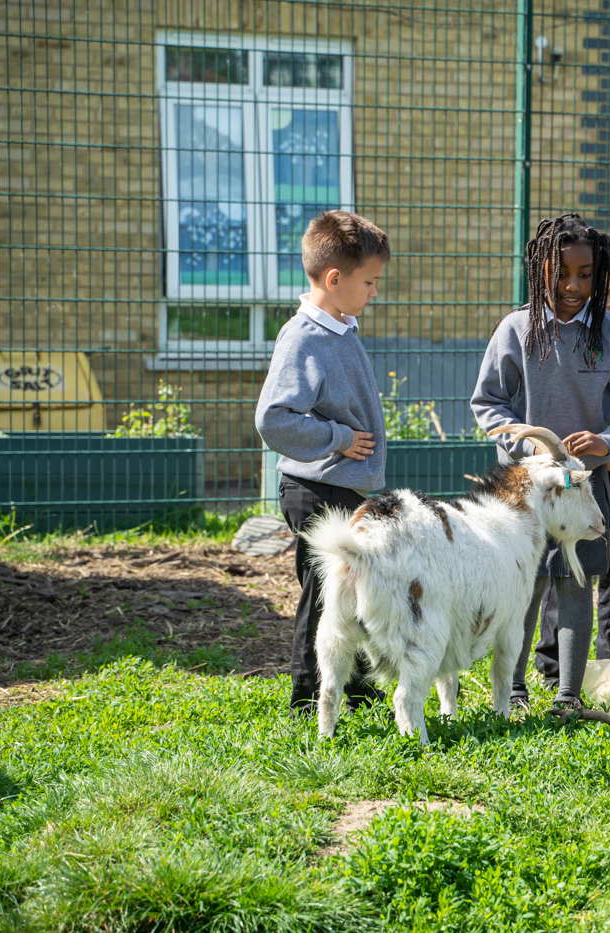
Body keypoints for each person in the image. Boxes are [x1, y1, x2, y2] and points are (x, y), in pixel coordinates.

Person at [472, 214, 610, 711]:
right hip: (526, 492)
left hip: (584, 488)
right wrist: (529, 446)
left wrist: (608, 440)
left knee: (578, 582)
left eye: (585, 275)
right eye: (561, 274)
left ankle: (568, 698)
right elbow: (488, 403)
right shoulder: (515, 330)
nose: (573, 286)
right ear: (539, 272)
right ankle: (512, 690)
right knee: (526, 586)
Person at [255, 210, 391, 714]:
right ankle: (309, 695)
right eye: (370, 281)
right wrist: (336, 437)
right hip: (315, 488)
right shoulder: (304, 336)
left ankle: (351, 686)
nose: (374, 291)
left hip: (341, 486)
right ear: (334, 279)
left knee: (350, 587)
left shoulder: (339, 328)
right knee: (324, 594)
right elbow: (273, 420)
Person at [535, 236, 610, 683]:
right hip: (580, 476)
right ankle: (554, 665)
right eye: (609, 293)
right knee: (567, 564)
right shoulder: (549, 336)